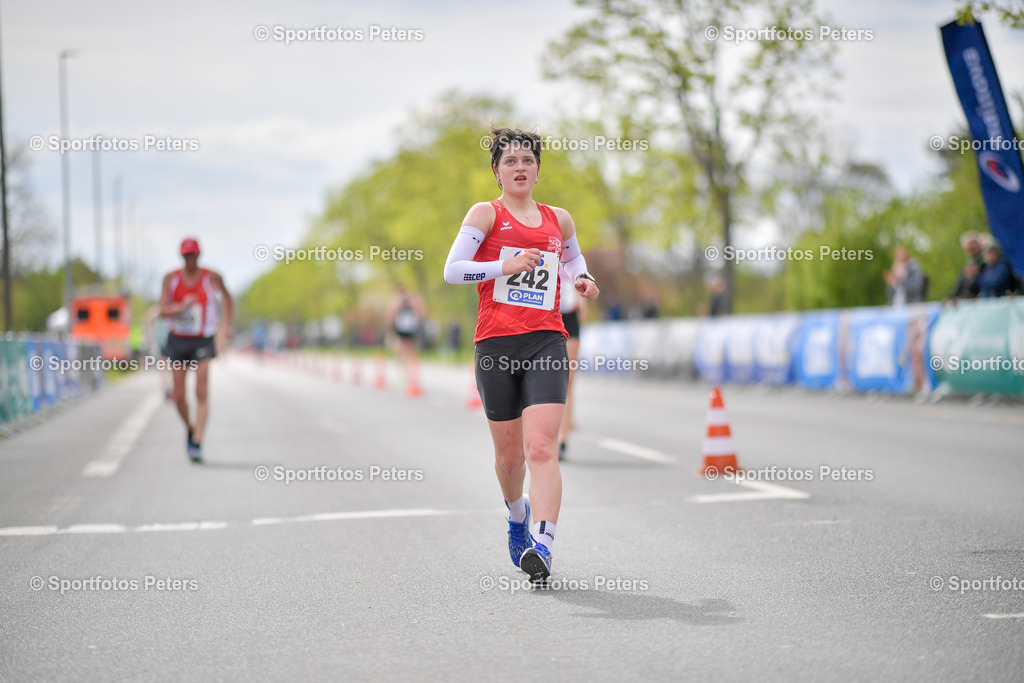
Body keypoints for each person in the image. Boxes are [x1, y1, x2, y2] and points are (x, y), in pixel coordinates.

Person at [443, 128, 599, 582]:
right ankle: (517, 516)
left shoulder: (559, 220)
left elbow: (573, 262)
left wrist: (583, 280)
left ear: (537, 169)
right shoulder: (485, 214)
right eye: (510, 161)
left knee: (540, 449)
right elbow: (453, 270)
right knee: (510, 459)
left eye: (527, 160)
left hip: (545, 341)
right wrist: (503, 266)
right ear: (496, 171)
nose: (519, 168)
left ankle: (544, 545)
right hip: (495, 344)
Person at [159, 237, 233, 463]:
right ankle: (191, 429)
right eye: (186, 256)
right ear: (181, 257)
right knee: (179, 396)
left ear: (199, 255)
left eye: (193, 255)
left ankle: (198, 441)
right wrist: (181, 307)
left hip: (202, 339)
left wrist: (226, 324)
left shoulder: (211, 277)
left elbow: (228, 297)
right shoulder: (170, 279)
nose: (190, 260)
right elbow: (162, 310)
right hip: (179, 340)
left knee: (201, 392)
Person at [557, 263, 587, 462]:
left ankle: (563, 440)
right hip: (542, 317)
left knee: (567, 381)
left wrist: (581, 300)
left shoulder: (571, 255)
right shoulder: (534, 247)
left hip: (569, 317)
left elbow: (583, 307)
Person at [388, 284, 426, 391]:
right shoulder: (410, 300)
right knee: (407, 350)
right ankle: (407, 371)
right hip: (407, 326)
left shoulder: (399, 300)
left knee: (404, 350)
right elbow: (420, 312)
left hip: (405, 327)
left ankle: (407, 371)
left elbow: (391, 314)